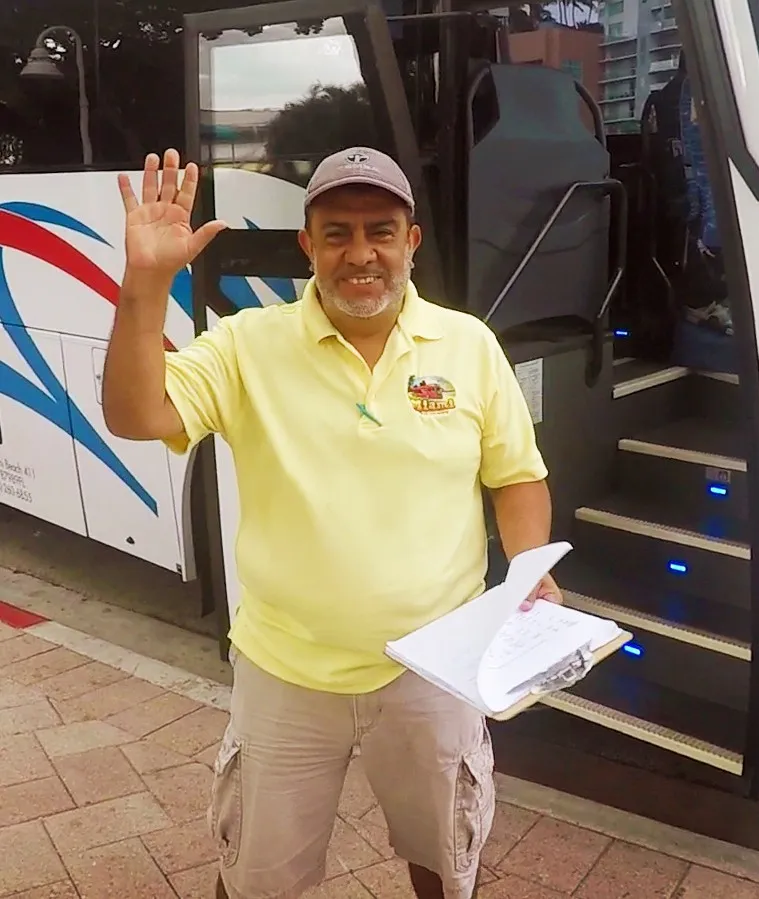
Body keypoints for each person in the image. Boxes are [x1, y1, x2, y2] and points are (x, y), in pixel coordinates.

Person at [103, 146, 561, 899]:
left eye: (380, 231)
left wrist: (531, 567)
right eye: (338, 233)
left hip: (434, 672)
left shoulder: (469, 345)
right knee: (255, 875)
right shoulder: (248, 345)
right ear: (307, 245)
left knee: (444, 861)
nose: (361, 255)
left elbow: (516, 475)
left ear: (410, 242)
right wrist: (148, 281)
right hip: (285, 673)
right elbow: (133, 413)